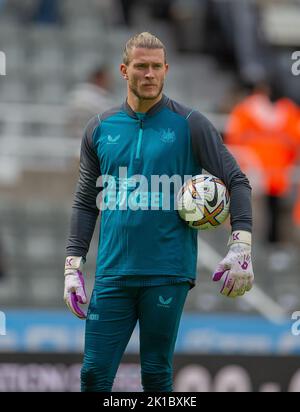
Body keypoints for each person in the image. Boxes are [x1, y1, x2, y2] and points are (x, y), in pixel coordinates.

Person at [64, 32, 254, 392]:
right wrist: (72, 265)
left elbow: (237, 181)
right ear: (124, 70)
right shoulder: (100, 128)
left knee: (155, 374)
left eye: (156, 67)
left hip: (167, 272)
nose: (149, 74)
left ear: (166, 70)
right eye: (141, 66)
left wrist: (241, 244)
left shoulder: (190, 124)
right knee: (93, 374)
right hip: (112, 274)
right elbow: (85, 201)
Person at [65, 65, 113, 139]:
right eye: (106, 79)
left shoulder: (76, 94)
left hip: (73, 140)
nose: (109, 82)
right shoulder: (100, 99)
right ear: (99, 78)